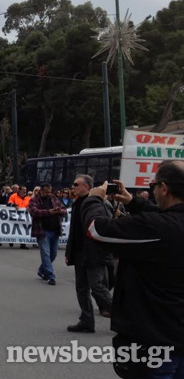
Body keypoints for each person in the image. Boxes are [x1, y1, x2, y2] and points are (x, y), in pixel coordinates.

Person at [82, 161, 184, 379]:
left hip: (157, 339)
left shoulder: (158, 227)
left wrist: (93, 199)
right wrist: (135, 203)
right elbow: (169, 218)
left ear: (164, 188)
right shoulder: (165, 224)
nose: (152, 190)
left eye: (153, 185)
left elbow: (97, 230)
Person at [64, 174, 113, 333]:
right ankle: (86, 320)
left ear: (87, 187)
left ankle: (124, 316)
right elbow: (74, 231)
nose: (73, 187)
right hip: (80, 253)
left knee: (97, 286)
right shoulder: (77, 203)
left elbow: (105, 227)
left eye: (76, 185)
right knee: (81, 287)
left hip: (95, 252)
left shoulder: (99, 204)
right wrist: (69, 252)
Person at [28, 183, 66, 286]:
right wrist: (49, 212)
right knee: (46, 253)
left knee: (53, 254)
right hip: (42, 231)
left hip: (55, 230)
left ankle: (42, 270)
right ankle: (50, 276)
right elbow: (34, 212)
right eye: (46, 192)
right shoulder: (34, 200)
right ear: (41, 191)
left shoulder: (53, 198)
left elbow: (64, 209)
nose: (49, 194)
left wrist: (59, 211)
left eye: (50, 192)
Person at [8, 185, 31, 249]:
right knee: (14, 228)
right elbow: (9, 203)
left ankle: (23, 244)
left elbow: (31, 204)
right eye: (23, 189)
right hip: (15, 215)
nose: (25, 191)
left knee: (23, 229)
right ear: (19, 190)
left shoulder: (28, 198)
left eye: (25, 189)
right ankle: (11, 239)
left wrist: (29, 207)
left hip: (24, 216)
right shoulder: (14, 196)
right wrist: (14, 205)